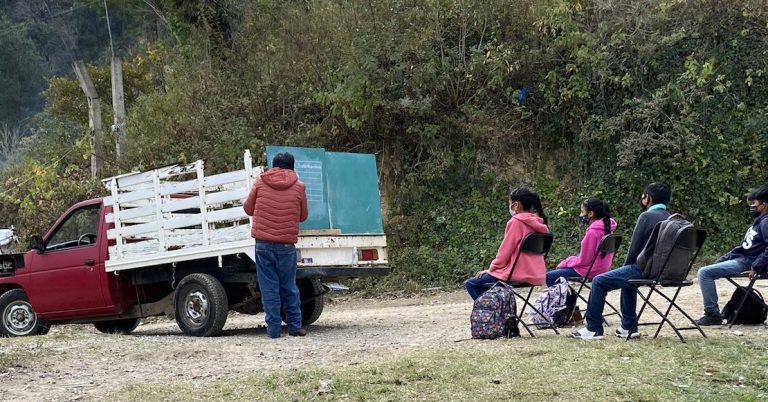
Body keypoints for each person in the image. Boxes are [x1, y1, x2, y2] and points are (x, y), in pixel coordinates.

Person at [571, 182, 671, 340]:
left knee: (598, 281)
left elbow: (634, 249)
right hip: (667, 271)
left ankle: (593, 328)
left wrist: (626, 267)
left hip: (646, 270)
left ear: (648, 199)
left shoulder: (646, 217)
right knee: (627, 282)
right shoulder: (672, 218)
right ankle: (628, 327)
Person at [243, 152, 309, 338]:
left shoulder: (260, 182)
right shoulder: (299, 187)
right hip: (286, 246)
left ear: (273, 166)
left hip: (263, 244)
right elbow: (303, 216)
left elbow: (248, 209)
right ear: (292, 167)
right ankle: (295, 327)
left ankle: (273, 331)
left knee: (269, 288)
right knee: (289, 287)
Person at [695, 186, 768, 326]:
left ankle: (712, 315)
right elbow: (744, 248)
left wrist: (756, 266)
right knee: (708, 270)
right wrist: (725, 258)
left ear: (764, 205)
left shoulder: (765, 222)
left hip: (748, 263)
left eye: (754, 204)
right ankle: (713, 313)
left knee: (704, 273)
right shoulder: (760, 221)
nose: (752, 206)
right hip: (744, 259)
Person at [464, 187, 550, 300]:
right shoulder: (539, 224)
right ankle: (500, 312)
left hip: (516, 274)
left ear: (516, 205)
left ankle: (492, 314)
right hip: (536, 274)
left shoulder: (516, 222)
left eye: (509, 202)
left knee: (471, 283)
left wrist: (491, 270)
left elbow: (504, 253)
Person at [546, 198, 618, 287]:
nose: (580, 215)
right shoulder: (608, 229)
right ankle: (566, 299)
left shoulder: (593, 233)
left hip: (590, 270)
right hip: (603, 269)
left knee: (550, 276)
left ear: (591, 214)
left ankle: (562, 300)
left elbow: (584, 260)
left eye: (582, 212)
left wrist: (567, 262)